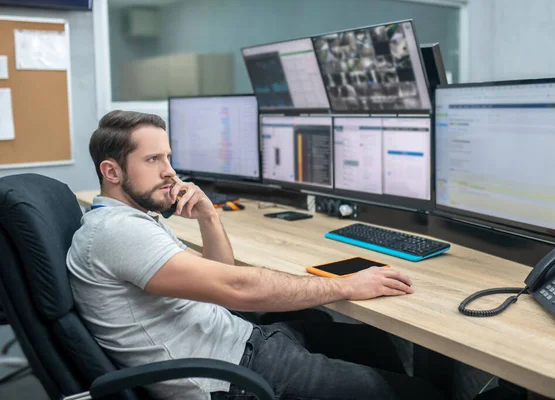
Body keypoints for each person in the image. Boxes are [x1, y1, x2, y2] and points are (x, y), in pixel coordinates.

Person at [67, 110, 445, 400]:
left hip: (238, 340)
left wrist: (208, 217)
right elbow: (239, 287)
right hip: (233, 376)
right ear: (111, 171)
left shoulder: (131, 219)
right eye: (153, 161)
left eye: (168, 157)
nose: (171, 173)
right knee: (421, 394)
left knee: (371, 342)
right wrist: (346, 285)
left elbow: (219, 276)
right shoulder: (117, 232)